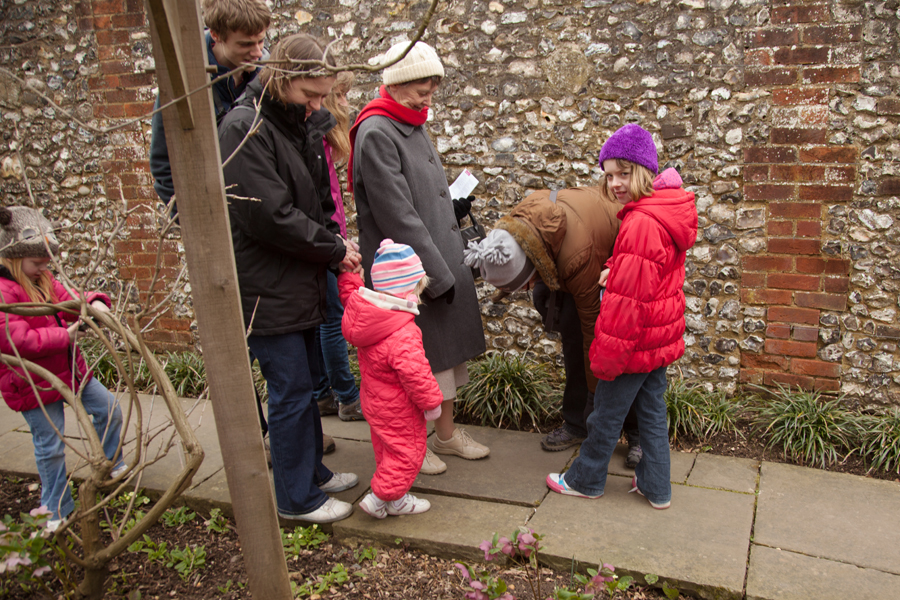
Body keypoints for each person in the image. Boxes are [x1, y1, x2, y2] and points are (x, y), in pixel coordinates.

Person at [217, 33, 360, 524]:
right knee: (291, 392)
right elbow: (270, 217)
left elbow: (319, 201)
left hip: (299, 278)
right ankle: (296, 499)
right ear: (282, 79)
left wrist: (335, 242)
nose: (318, 105)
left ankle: (311, 472)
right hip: (267, 286)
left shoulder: (299, 123)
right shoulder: (244, 128)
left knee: (304, 392)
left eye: (323, 95)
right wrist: (332, 248)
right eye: (310, 94)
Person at [350, 41, 488, 475]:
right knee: (413, 364)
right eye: (421, 90)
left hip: (435, 260)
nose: (428, 100)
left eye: (432, 90)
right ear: (396, 84)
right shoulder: (377, 131)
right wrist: (438, 276)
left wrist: (452, 207)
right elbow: (398, 215)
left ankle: (444, 436)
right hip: (408, 273)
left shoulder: (408, 120)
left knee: (443, 359)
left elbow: (424, 194)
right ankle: (411, 445)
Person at [545, 124, 698, 510]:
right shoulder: (661, 210)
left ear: (644, 170)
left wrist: (607, 357)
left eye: (623, 173)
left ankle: (585, 479)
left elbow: (628, 303)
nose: (614, 183)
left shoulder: (642, 221)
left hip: (633, 342)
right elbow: (651, 271)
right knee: (651, 414)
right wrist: (617, 266)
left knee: (605, 415)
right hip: (657, 336)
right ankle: (656, 487)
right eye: (609, 175)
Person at [463, 186, 643, 464]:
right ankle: (577, 423)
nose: (523, 291)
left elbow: (594, 334)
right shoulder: (517, 229)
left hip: (618, 262)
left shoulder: (576, 256)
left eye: (523, 285)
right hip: (575, 254)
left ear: (532, 267)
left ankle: (637, 433)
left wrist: (596, 399)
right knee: (572, 340)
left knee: (616, 349)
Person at [0, 206, 126, 523]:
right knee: (51, 447)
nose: (45, 267)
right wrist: (65, 336)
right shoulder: (3, 292)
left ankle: (110, 464)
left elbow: (68, 296)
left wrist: (93, 302)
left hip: (70, 371)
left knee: (109, 409)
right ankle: (56, 509)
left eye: (47, 261)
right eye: (37, 262)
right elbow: (15, 341)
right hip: (33, 382)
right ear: (13, 257)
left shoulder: (42, 278)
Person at [339, 240, 443, 518]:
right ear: (409, 290)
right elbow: (415, 373)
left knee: (386, 450)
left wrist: (349, 275)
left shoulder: (368, 312)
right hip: (399, 408)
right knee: (408, 453)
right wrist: (432, 403)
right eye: (418, 289)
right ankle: (379, 497)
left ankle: (396, 499)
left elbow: (349, 295)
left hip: (374, 402)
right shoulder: (403, 331)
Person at [313, 71, 364, 423]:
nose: (346, 103)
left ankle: (322, 395)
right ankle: (347, 397)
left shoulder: (323, 143)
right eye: (341, 95)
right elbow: (325, 202)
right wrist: (338, 244)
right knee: (332, 319)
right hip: (325, 243)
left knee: (323, 320)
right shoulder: (317, 142)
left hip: (328, 240)